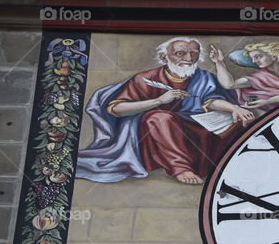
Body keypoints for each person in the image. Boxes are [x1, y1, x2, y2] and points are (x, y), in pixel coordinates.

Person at [76, 37, 256, 185]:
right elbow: (116, 108)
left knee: (237, 119)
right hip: (156, 137)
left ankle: (220, 166)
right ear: (164, 58)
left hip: (194, 131)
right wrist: (158, 101)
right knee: (160, 118)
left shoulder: (203, 77)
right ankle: (180, 168)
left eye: (193, 53)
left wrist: (234, 107)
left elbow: (210, 100)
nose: (188, 57)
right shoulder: (145, 79)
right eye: (180, 53)